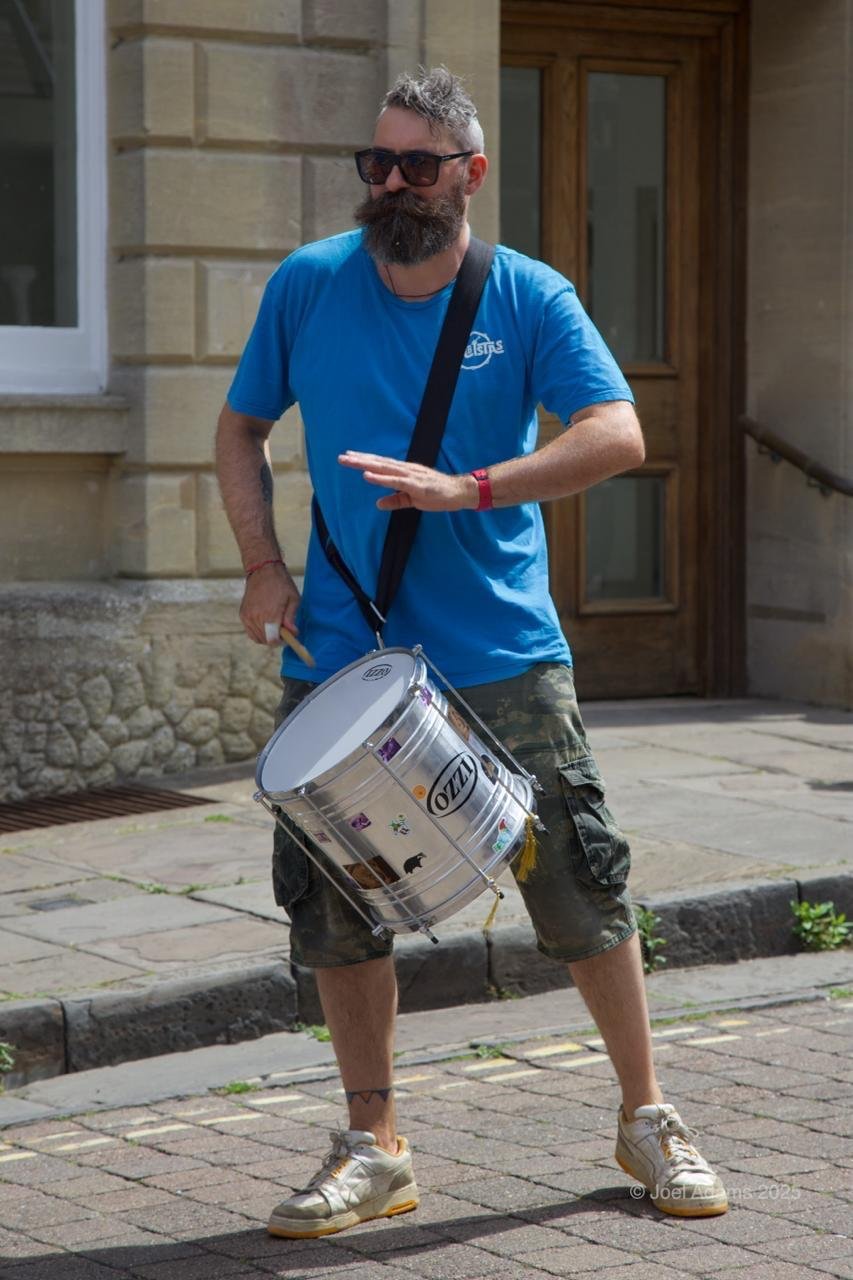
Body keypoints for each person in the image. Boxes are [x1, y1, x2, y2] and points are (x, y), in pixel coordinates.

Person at [216, 66, 728, 1240]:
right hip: (342, 648)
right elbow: (241, 424)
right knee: (336, 900)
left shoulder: (529, 297)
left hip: (501, 646)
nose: (389, 184)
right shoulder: (308, 286)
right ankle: (373, 1142)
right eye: (376, 162)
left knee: (578, 878)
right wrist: (260, 564)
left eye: (416, 165)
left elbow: (618, 431)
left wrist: (470, 488)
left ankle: (646, 1113)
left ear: (470, 177)